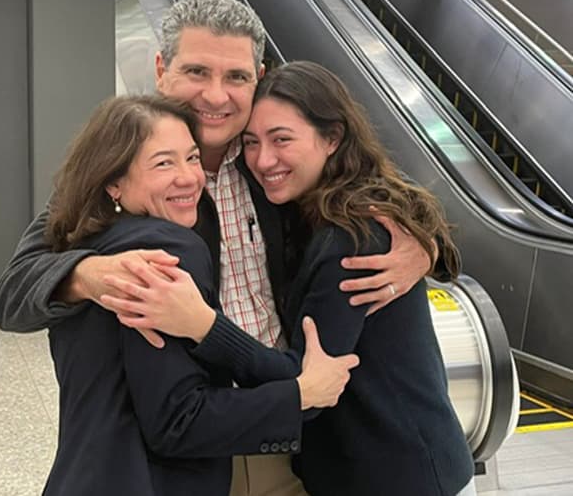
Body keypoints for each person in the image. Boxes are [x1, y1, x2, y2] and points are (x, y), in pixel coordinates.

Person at [0, 0, 443, 495]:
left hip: (288, 436)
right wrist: (90, 275)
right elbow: (11, 296)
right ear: (162, 69)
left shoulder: (271, 167)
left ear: (258, 78)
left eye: (236, 77)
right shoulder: (119, 173)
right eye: (196, 72)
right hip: (185, 450)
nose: (215, 96)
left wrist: (428, 247)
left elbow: (377, 188)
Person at [103, 62, 476, 496]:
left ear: (332, 138)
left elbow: (313, 379)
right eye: (252, 143)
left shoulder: (353, 237)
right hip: (339, 460)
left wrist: (202, 325)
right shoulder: (300, 205)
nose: (264, 160)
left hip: (396, 472)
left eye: (282, 140)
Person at [40, 93, 358, 496]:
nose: (190, 177)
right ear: (113, 183)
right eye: (163, 163)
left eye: (191, 158)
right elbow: (178, 420)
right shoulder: (167, 251)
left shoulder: (83, 244)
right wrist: (300, 394)